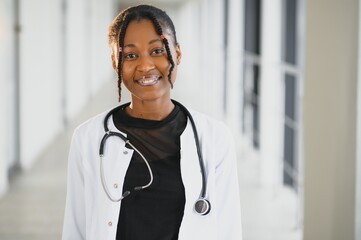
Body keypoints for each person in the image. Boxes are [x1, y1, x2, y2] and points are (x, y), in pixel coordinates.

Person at [62, 4, 242, 240]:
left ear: (177, 53)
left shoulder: (215, 138)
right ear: (116, 63)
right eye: (130, 55)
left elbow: (228, 229)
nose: (145, 66)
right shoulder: (88, 138)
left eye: (157, 51)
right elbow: (75, 229)